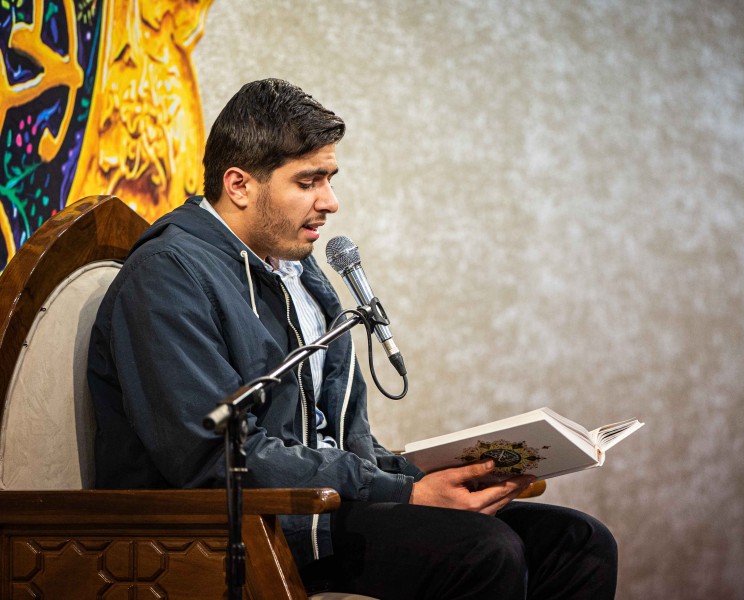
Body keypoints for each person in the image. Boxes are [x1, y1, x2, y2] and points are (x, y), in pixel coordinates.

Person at [88, 78, 617, 599]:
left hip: (324, 507)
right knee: (485, 551)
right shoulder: (167, 274)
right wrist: (404, 492)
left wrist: (436, 473)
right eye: (308, 182)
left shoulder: (298, 270)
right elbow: (216, 456)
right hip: (239, 530)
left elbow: (341, 435)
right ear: (239, 185)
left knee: (579, 542)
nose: (331, 202)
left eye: (330, 179)